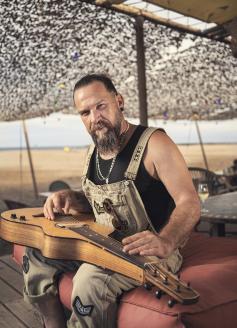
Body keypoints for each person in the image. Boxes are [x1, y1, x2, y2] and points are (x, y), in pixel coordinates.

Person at [23, 74, 200, 328]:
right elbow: (104, 204)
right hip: (101, 240)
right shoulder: (94, 151)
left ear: (119, 101)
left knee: (88, 283)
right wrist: (72, 198)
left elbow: (190, 202)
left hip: (149, 250)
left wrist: (166, 240)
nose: (95, 118)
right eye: (85, 112)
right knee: (36, 254)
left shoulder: (155, 144)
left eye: (101, 106)